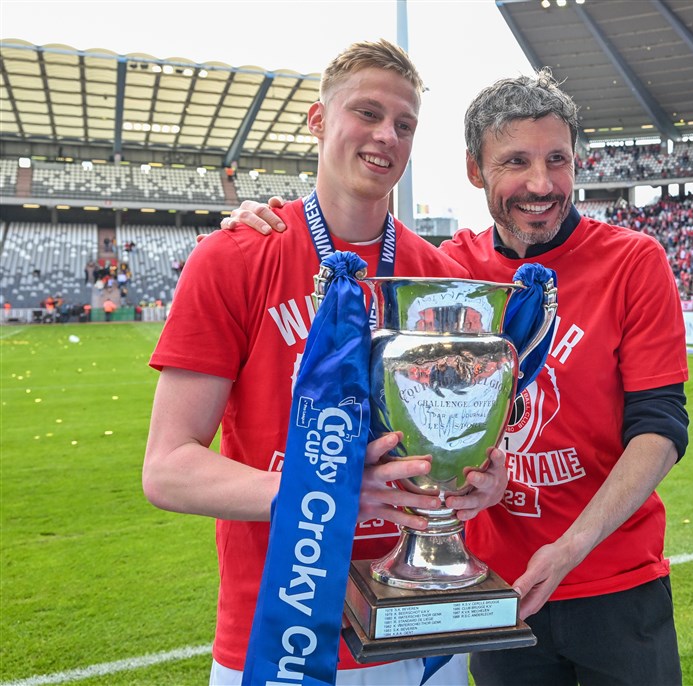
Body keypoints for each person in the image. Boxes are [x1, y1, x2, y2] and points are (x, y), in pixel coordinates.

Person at [229, 68, 690, 686]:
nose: (541, 183)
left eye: (557, 159)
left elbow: (660, 428)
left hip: (614, 581)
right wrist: (261, 216)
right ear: (475, 170)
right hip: (487, 587)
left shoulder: (634, 261)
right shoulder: (449, 269)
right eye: (516, 161)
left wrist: (571, 548)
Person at [142, 40, 507, 686]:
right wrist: (326, 493)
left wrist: (482, 479)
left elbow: (460, 433)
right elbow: (168, 469)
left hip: (419, 627)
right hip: (278, 633)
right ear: (317, 120)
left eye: (404, 124)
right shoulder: (232, 258)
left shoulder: (437, 275)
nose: (386, 135)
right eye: (367, 113)